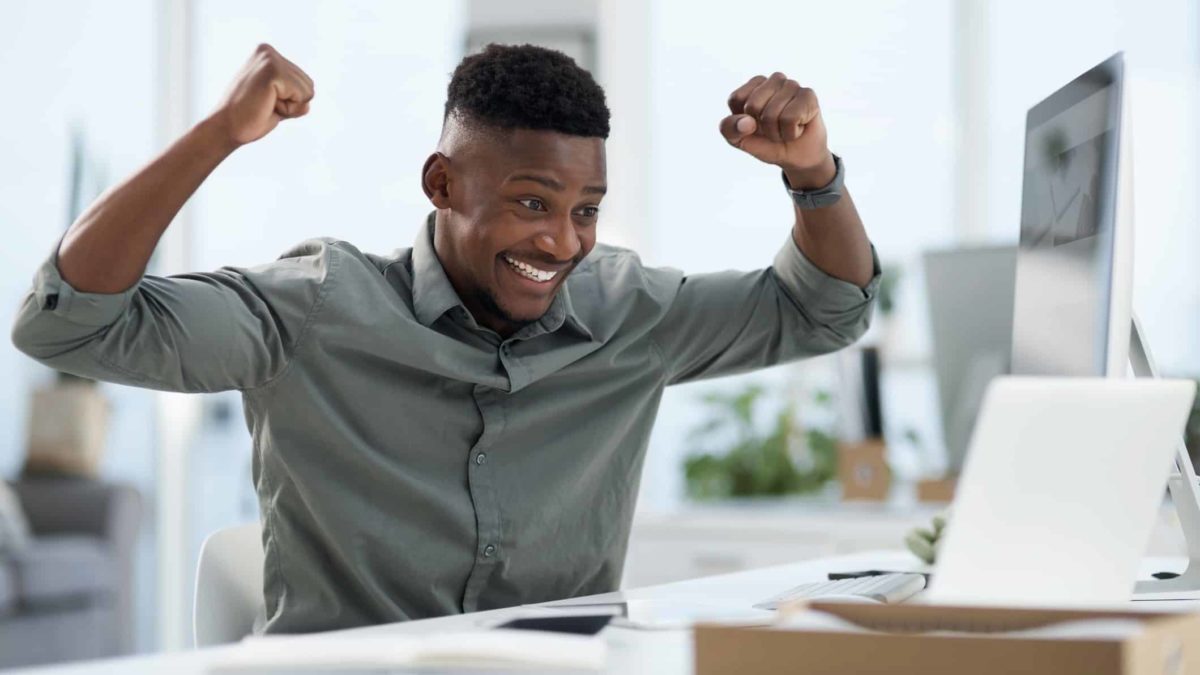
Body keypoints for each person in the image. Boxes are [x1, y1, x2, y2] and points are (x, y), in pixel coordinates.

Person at [11, 43, 880, 634]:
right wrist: (219, 135)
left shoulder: (628, 309)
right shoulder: (317, 308)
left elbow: (827, 308)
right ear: (441, 183)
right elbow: (68, 322)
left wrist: (811, 174)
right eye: (531, 202)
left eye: (585, 211)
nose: (562, 243)